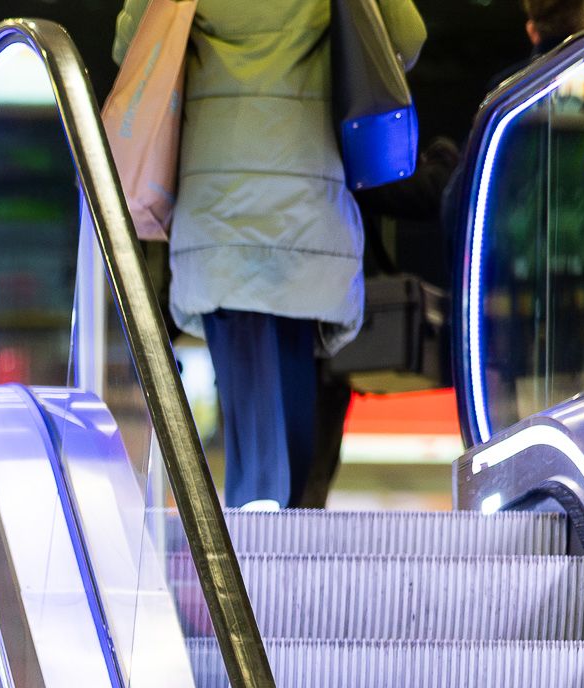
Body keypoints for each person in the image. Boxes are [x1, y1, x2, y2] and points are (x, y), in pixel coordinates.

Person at [114, 0, 428, 509]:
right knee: (294, 397)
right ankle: (285, 542)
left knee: (250, 419)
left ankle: (254, 546)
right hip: (306, 212)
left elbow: (130, 46)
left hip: (218, 215)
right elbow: (407, 39)